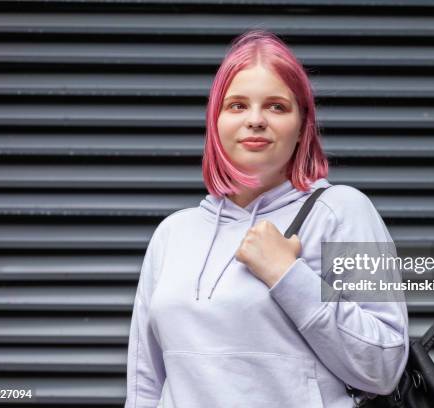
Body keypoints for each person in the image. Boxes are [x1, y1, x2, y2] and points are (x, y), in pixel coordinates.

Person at [124, 29, 409, 408]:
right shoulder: (173, 234)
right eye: (237, 105)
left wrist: (288, 276)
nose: (255, 120)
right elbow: (145, 382)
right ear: (215, 121)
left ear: (302, 126)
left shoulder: (343, 211)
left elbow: (385, 365)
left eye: (276, 106)